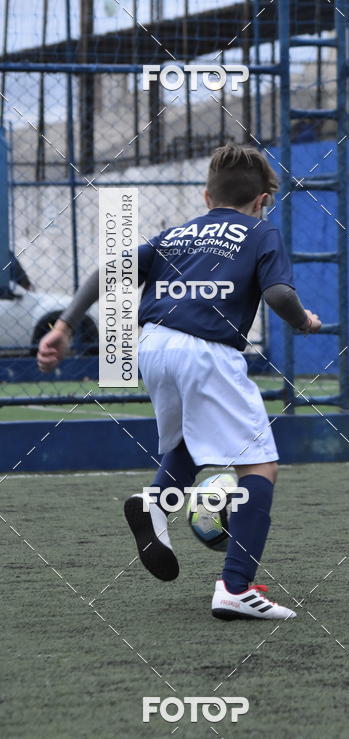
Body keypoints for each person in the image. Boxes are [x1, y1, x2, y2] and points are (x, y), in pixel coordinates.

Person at [37, 143, 321, 620]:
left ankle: (154, 503)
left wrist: (64, 326)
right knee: (260, 466)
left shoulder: (176, 234)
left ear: (207, 197)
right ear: (261, 200)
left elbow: (107, 272)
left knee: (192, 441)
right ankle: (235, 587)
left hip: (154, 346)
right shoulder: (261, 231)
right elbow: (276, 292)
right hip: (207, 351)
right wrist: (303, 321)